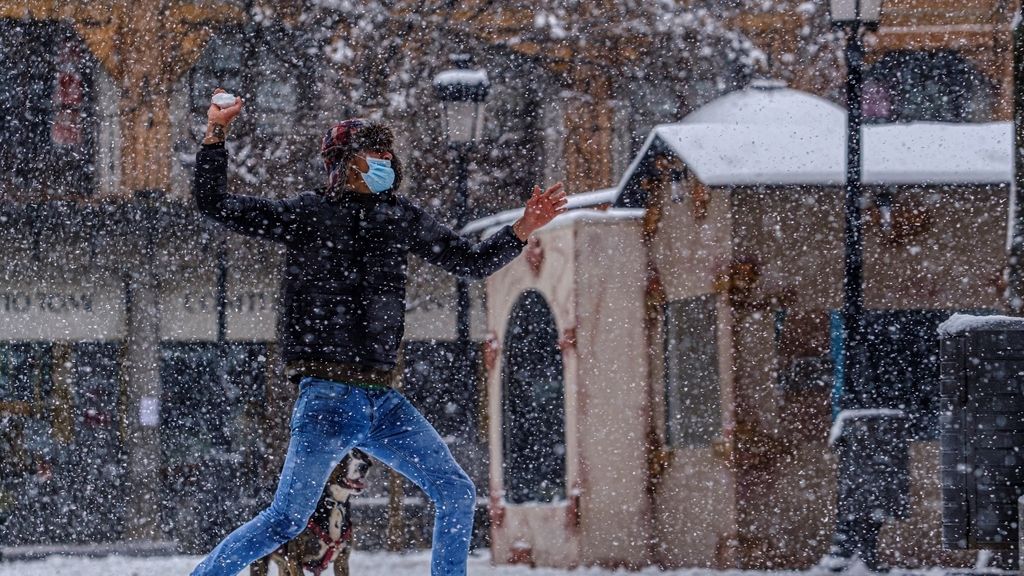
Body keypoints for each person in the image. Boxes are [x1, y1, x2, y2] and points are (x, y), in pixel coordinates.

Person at [189, 89, 566, 576]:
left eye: (388, 152)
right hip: (326, 396)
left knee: (456, 491)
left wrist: (521, 229)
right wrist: (216, 134)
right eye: (373, 152)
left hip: (382, 400)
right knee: (287, 520)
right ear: (345, 162)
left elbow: (469, 261)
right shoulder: (308, 213)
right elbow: (214, 203)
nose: (385, 160)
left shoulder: (398, 218)